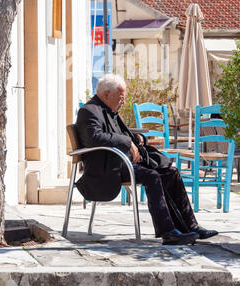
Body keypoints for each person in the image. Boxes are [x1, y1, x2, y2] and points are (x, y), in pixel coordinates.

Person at [75, 73, 218, 245]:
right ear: (107, 94)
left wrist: (136, 140)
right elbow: (95, 138)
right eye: (121, 97)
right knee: (152, 176)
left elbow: (120, 133)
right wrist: (128, 142)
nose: (123, 101)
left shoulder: (110, 110)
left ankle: (191, 226)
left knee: (171, 172)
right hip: (108, 168)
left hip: (123, 162)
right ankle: (168, 232)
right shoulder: (89, 111)